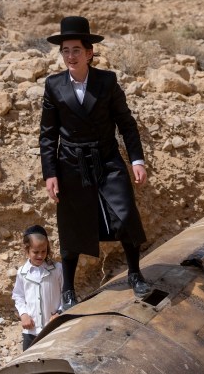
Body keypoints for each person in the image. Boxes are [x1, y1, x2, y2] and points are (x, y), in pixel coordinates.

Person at [39, 15, 152, 310]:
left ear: (89, 52)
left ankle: (136, 274)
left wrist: (137, 160)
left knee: (125, 214)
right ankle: (68, 291)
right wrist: (50, 173)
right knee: (71, 227)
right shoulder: (53, 86)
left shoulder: (107, 81)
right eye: (65, 50)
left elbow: (126, 123)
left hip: (107, 158)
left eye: (76, 50)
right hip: (70, 164)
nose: (70, 56)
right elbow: (48, 134)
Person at [11, 225, 63, 351]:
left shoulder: (57, 269)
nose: (40, 256)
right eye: (35, 252)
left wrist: (59, 314)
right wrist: (24, 315)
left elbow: (65, 294)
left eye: (43, 251)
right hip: (31, 331)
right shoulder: (22, 272)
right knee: (29, 365)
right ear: (27, 250)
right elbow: (18, 296)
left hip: (53, 328)